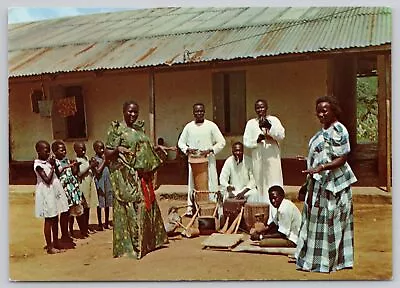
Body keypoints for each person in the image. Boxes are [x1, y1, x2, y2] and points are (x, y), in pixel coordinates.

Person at [295, 96, 357, 273]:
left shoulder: (339, 130)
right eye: (318, 111)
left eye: (324, 110)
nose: (321, 114)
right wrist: (310, 166)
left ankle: (331, 262)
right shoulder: (323, 131)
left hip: (334, 186)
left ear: (333, 111)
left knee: (332, 222)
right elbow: (323, 154)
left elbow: (342, 158)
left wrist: (321, 167)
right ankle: (315, 261)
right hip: (319, 184)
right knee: (317, 223)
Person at [105, 100, 168, 259]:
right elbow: (107, 152)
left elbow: (141, 149)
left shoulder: (139, 129)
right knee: (135, 206)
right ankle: (133, 247)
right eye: (130, 111)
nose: (132, 114)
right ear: (123, 111)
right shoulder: (117, 129)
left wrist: (155, 148)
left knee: (147, 205)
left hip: (142, 174)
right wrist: (118, 149)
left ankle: (148, 244)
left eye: (135, 112)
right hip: (127, 177)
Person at [178, 103, 226, 216]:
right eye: (197, 111)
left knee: (211, 183)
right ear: (193, 113)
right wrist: (188, 149)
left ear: (204, 112)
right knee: (193, 184)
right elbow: (181, 143)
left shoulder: (211, 126)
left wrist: (210, 150)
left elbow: (221, 142)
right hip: (194, 162)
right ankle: (192, 207)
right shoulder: (189, 127)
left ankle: (212, 207)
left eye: (201, 111)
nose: (199, 113)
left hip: (208, 161)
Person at [243, 99, 285, 204]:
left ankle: (276, 206)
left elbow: (281, 135)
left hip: (272, 158)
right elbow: (246, 141)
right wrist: (257, 140)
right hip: (258, 158)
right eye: (258, 108)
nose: (260, 110)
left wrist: (270, 128)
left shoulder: (274, 120)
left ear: (266, 108)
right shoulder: (251, 123)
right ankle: (263, 207)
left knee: (274, 180)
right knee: (261, 183)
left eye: (262, 107)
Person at [34, 140, 69, 254]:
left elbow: (57, 175)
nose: (48, 153)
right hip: (46, 193)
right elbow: (47, 180)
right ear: (38, 151)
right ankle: (50, 246)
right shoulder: (38, 165)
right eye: (45, 150)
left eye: (49, 150)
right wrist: (53, 166)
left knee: (55, 218)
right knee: (49, 219)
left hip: (53, 192)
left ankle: (56, 242)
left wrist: (54, 165)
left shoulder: (48, 162)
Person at [51, 140, 84, 244]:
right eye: (61, 150)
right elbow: (57, 172)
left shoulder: (67, 160)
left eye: (65, 150)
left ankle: (70, 233)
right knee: (64, 213)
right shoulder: (55, 162)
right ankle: (64, 234)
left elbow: (73, 173)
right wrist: (66, 166)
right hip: (63, 190)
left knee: (70, 212)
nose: (64, 152)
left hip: (71, 190)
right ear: (55, 152)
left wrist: (75, 165)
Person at [73, 141, 99, 235]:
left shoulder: (86, 158)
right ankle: (82, 229)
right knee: (83, 207)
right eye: (81, 149)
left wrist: (92, 165)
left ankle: (86, 226)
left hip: (89, 183)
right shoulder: (76, 161)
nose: (83, 150)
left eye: (84, 148)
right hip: (82, 185)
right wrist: (90, 166)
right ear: (76, 150)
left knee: (88, 207)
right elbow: (79, 174)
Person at [93, 140, 113, 230]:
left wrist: (107, 160)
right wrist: (104, 161)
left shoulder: (105, 158)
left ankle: (106, 222)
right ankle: (100, 223)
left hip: (107, 182)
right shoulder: (94, 160)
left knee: (107, 203)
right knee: (100, 203)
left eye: (103, 148)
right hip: (100, 183)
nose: (102, 150)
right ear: (95, 149)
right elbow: (97, 171)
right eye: (100, 148)